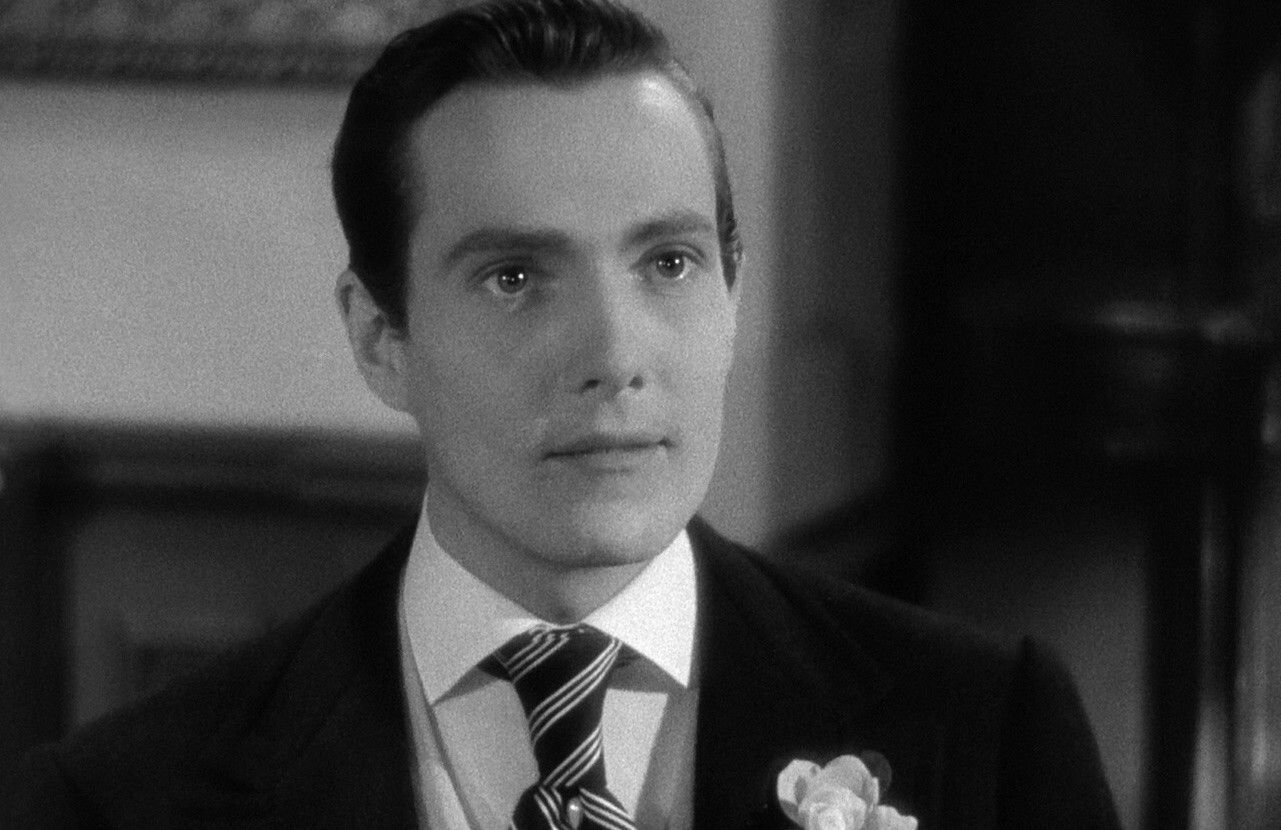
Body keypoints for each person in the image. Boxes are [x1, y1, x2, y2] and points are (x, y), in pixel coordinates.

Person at [2, 1, 1122, 827]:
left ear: (733, 293)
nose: (614, 357)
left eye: (669, 262)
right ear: (380, 336)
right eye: (515, 279)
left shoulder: (989, 734)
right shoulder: (122, 800)